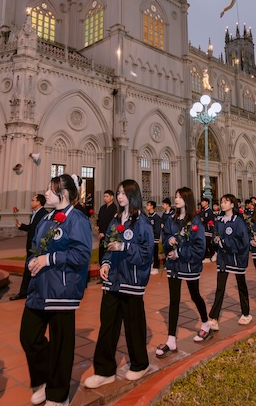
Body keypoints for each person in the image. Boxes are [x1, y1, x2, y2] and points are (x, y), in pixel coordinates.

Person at [19, 174, 92, 406]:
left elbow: (81, 255)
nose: (46, 194)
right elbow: (35, 247)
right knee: (29, 336)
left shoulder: (77, 220)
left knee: (61, 343)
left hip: (62, 291)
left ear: (65, 194)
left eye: (50, 190)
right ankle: (45, 379)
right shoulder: (46, 219)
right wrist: (32, 260)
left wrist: (49, 258)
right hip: (40, 288)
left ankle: (59, 395)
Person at [84, 179, 154, 389]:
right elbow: (107, 245)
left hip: (131, 281)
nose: (119, 196)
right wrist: (105, 263)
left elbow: (146, 253)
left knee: (133, 325)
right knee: (108, 325)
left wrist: (125, 247)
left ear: (133, 196)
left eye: (124, 193)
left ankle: (140, 364)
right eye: (118, 192)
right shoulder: (115, 219)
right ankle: (105, 371)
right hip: (113, 280)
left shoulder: (142, 222)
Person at [156, 187, 209, 358]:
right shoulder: (172, 219)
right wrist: (168, 242)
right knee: (174, 300)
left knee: (195, 296)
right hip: (174, 267)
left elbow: (199, 247)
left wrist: (180, 252)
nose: (176, 199)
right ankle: (171, 339)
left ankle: (206, 323)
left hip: (189, 266)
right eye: (176, 196)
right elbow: (165, 237)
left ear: (188, 199)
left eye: (180, 197)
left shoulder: (195, 221)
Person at [207, 194, 252, 328]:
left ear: (232, 205)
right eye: (221, 201)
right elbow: (215, 236)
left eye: (226, 202)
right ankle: (214, 317)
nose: (223, 204)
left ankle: (246, 313)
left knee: (241, 286)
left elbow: (243, 241)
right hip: (223, 259)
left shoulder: (238, 221)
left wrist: (225, 242)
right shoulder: (219, 221)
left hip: (236, 258)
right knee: (220, 288)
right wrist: (216, 241)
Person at [11, 194, 48, 300]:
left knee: (32, 268)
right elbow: (32, 228)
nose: (31, 202)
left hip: (37, 247)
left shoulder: (44, 214)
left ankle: (26, 292)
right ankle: (26, 291)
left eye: (33, 200)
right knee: (29, 268)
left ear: (39, 202)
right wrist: (21, 226)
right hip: (31, 245)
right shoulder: (35, 214)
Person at [96, 191, 118, 270]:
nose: (105, 198)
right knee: (101, 254)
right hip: (101, 235)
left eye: (107, 196)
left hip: (110, 236)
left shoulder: (115, 208)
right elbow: (100, 220)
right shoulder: (102, 208)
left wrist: (105, 233)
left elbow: (113, 223)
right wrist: (98, 227)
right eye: (104, 196)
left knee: (108, 253)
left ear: (112, 197)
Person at [147, 200, 162, 275]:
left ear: (152, 206)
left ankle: (156, 266)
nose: (147, 207)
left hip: (154, 238)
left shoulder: (156, 217)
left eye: (148, 205)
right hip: (148, 238)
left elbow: (157, 228)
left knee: (155, 252)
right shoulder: (147, 217)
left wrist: (155, 236)